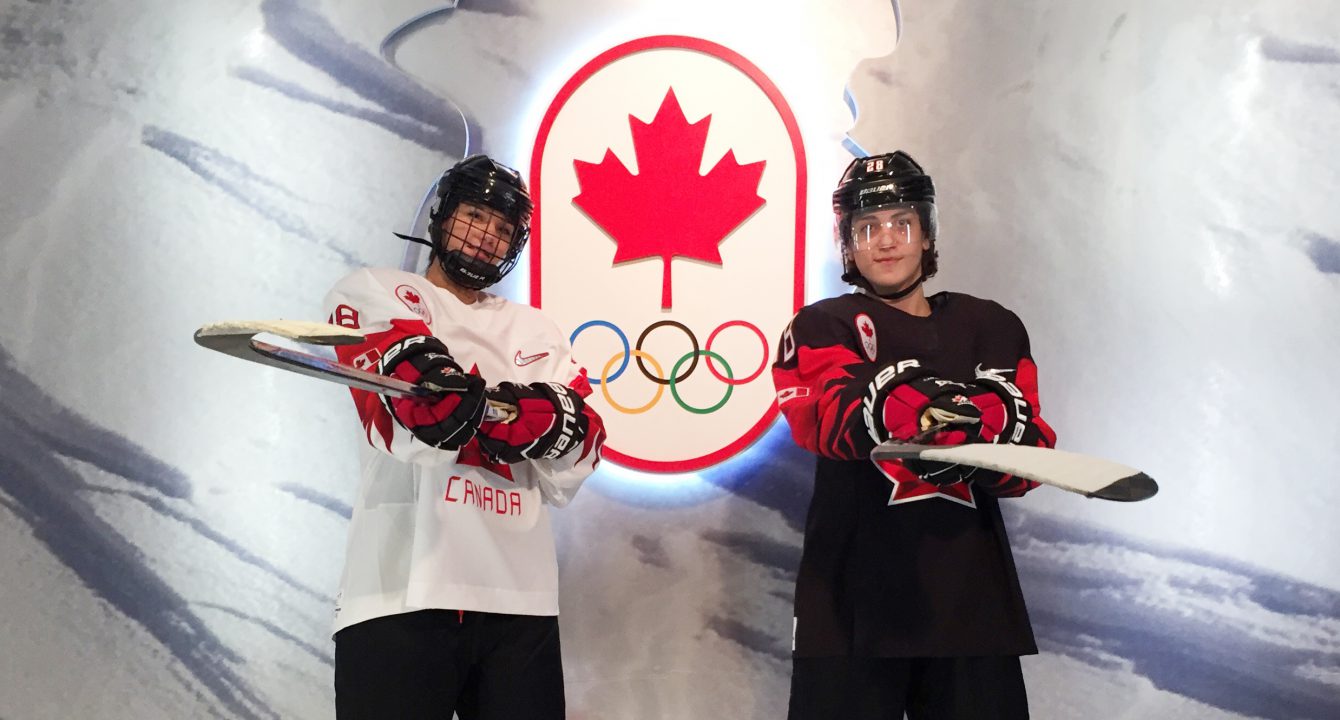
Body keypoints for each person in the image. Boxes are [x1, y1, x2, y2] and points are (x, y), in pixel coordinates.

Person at [771, 150, 1057, 720]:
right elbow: (828, 419)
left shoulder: (992, 327)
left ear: (927, 234)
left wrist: (986, 428)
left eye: (902, 223)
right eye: (866, 227)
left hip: (969, 605)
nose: (886, 240)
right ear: (847, 244)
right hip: (849, 605)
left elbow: (1030, 451)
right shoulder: (819, 325)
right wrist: (923, 409)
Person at [321, 154, 605, 719]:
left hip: (518, 600)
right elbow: (423, 413)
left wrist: (525, 418)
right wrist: (526, 417)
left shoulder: (537, 330)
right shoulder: (375, 290)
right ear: (443, 216)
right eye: (476, 216)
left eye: (503, 230)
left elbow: (583, 445)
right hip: (397, 593)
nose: (486, 238)